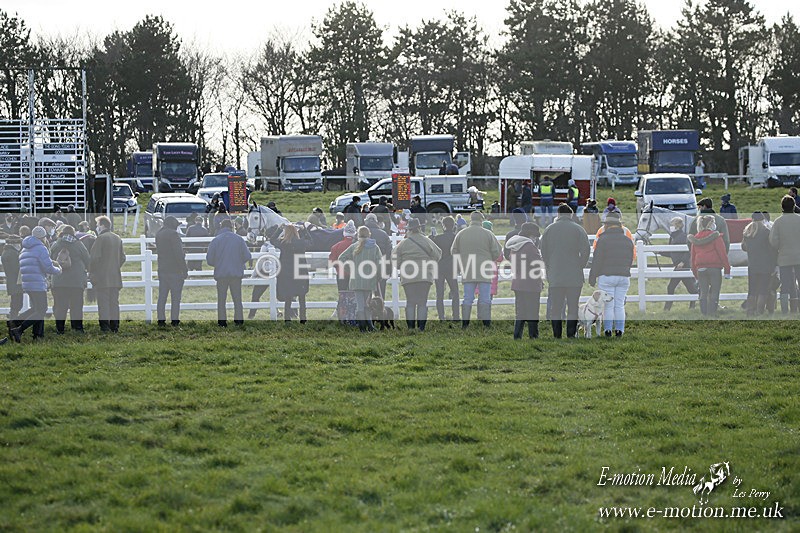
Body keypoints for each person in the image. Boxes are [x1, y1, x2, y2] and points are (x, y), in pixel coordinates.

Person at [540, 204, 590, 338]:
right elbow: (586, 251)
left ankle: (557, 335)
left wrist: (550, 266)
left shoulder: (549, 229)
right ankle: (570, 335)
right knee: (573, 307)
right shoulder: (579, 230)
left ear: (558, 214)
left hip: (556, 276)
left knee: (556, 308)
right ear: (571, 214)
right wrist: (580, 265)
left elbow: (543, 251)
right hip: (574, 276)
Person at [9, 226, 62, 342]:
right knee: (42, 310)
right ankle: (19, 329)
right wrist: (59, 270)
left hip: (28, 283)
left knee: (35, 309)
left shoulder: (25, 248)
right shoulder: (40, 248)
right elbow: (48, 267)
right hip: (37, 283)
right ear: (42, 237)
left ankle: (15, 322)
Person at [451, 211, 502, 328]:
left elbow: (453, 251)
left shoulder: (461, 233)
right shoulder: (488, 234)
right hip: (485, 270)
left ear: (471, 219)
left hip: (468, 269)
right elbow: (497, 252)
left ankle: (465, 324)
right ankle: (486, 324)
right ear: (481, 220)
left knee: (467, 299)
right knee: (485, 299)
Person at [589, 213, 634, 337]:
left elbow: (597, 260)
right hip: (624, 276)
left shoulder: (603, 240)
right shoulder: (627, 240)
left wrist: (593, 276)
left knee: (608, 306)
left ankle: (608, 330)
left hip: (607, 276)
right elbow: (631, 259)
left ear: (607, 225)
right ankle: (620, 330)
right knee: (619, 305)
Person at [393, 218, 442, 331]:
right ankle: (421, 328)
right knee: (422, 302)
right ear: (419, 228)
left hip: (408, 275)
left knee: (410, 302)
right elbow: (438, 254)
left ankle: (410, 327)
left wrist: (401, 266)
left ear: (409, 229)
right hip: (425, 275)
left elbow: (394, 258)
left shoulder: (403, 243)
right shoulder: (426, 240)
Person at [207, 219, 251, 327]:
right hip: (236, 274)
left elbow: (209, 260)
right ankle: (239, 321)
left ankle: (222, 322)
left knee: (221, 300)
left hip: (221, 274)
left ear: (221, 227)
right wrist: (238, 263)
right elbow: (247, 256)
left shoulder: (216, 240)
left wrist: (218, 264)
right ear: (232, 227)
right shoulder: (239, 239)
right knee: (237, 299)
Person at [338, 226, 383, 332]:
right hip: (369, 280)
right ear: (369, 234)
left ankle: (362, 327)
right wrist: (378, 275)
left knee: (360, 305)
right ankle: (370, 326)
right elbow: (379, 264)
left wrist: (350, 269)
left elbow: (341, 258)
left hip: (356, 280)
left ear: (358, 235)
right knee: (367, 304)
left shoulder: (354, 246)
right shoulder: (375, 247)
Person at [49, 225, 91, 334]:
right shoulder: (79, 245)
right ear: (73, 233)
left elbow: (50, 259)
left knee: (60, 306)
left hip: (59, 281)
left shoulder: (56, 244)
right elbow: (87, 260)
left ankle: (60, 328)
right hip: (76, 282)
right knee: (76, 306)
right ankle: (77, 328)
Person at [506, 222, 543, 340]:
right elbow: (537, 265)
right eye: (535, 236)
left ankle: (517, 335)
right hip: (531, 283)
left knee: (520, 311)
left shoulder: (515, 246)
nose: (536, 238)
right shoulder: (530, 247)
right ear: (531, 235)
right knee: (533, 311)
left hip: (518, 282)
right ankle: (533, 336)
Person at [689, 215, 731, 317]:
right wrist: (727, 270)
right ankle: (712, 312)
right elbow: (723, 254)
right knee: (715, 291)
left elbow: (693, 258)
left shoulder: (695, 240)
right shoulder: (716, 238)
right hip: (714, 268)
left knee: (703, 292)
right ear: (711, 224)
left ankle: (704, 313)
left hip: (701, 269)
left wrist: (696, 275)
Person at [89, 216, 126, 333]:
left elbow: (94, 258)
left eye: (97, 225)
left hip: (102, 277)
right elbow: (123, 258)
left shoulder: (100, 238)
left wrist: (93, 272)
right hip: (115, 277)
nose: (96, 227)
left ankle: (105, 327)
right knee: (114, 303)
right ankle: (115, 326)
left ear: (102, 225)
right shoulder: (117, 238)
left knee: (103, 304)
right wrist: (114, 267)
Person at [769, 195, 800, 314]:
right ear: (794, 206)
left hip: (784, 258)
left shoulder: (778, 222)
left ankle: (785, 311)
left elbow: (773, 241)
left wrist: (780, 247)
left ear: (782, 206)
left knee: (785, 285)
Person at [741, 212, 777, 316]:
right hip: (765, 265)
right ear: (762, 219)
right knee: (763, 290)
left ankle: (750, 311)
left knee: (752, 290)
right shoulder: (766, 231)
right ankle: (760, 311)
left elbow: (744, 247)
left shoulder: (747, 232)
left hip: (752, 265)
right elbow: (772, 250)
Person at [155, 216, 188, 327]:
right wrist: (184, 269)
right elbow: (178, 254)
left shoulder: (159, 234)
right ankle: (174, 320)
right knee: (175, 297)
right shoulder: (174, 235)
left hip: (162, 269)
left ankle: (161, 320)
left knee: (162, 296)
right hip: (174, 270)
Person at [275, 225, 311, 323]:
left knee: (288, 297)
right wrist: (304, 230)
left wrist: (279, 229)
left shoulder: (283, 243)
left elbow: (272, 240)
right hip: (300, 272)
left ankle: (287, 319)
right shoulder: (300, 243)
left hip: (287, 274)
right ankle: (303, 319)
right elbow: (311, 242)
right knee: (302, 297)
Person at [663, 217, 698, 311]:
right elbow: (671, 252)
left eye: (672, 224)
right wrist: (658, 252)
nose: (671, 226)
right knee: (691, 289)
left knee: (671, 287)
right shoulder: (673, 237)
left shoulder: (683, 236)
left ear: (678, 225)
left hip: (683, 266)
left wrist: (682, 261)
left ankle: (667, 308)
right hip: (679, 266)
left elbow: (688, 251)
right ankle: (692, 306)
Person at [431, 216, 460, 322]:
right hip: (452, 266)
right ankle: (456, 316)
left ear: (443, 225)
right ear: (453, 226)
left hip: (439, 267)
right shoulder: (456, 237)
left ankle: (441, 316)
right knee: (455, 292)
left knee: (439, 293)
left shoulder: (438, 238)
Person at [364, 213, 392, 298]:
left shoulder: (360, 233)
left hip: (364, 267)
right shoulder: (383, 234)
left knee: (365, 294)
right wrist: (389, 270)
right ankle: (379, 309)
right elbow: (389, 253)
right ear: (376, 222)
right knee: (380, 292)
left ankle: (366, 310)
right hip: (381, 266)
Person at [2, 234, 23, 331]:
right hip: (16, 282)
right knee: (17, 304)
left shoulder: (6, 252)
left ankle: (13, 323)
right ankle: (13, 324)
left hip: (11, 282)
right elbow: (17, 269)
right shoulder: (13, 254)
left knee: (15, 304)